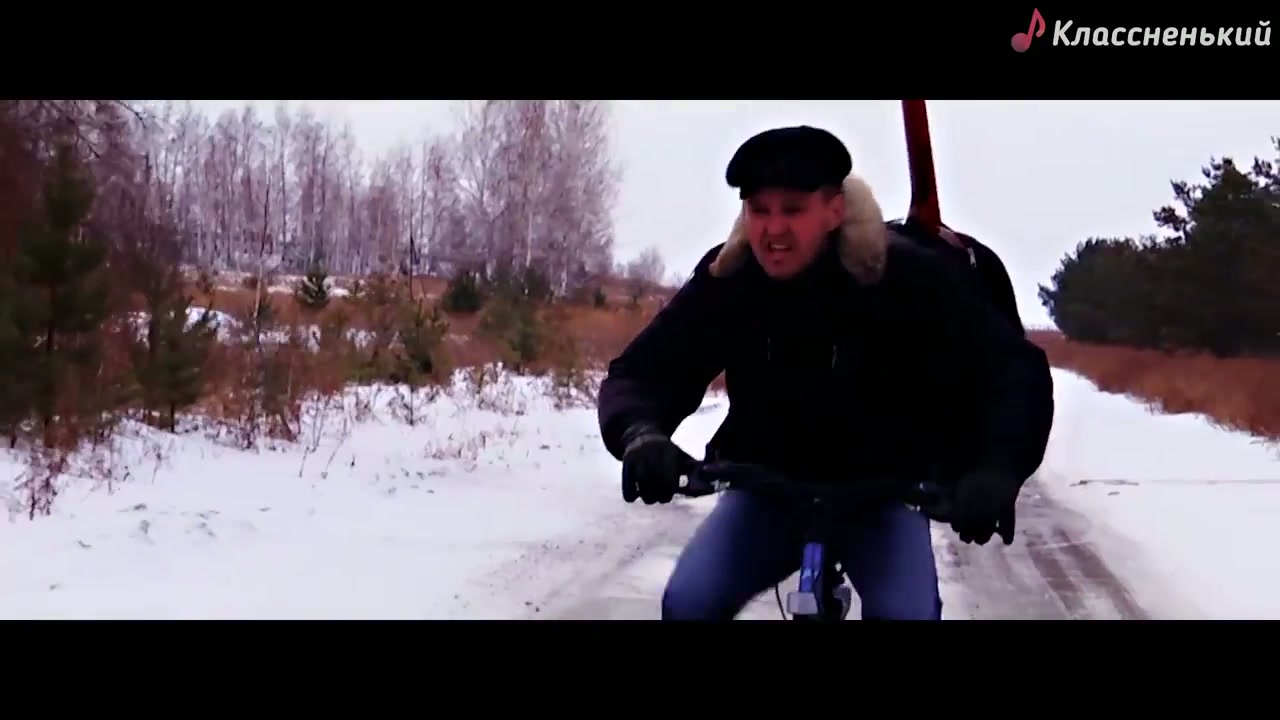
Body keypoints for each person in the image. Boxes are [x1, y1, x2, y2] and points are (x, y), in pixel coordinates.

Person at [596, 125, 1055, 621]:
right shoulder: (732, 280)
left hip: (881, 499)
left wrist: (997, 467)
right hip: (765, 493)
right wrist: (640, 434)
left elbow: (1012, 370)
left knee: (907, 615)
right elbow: (644, 371)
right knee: (689, 603)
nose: (773, 230)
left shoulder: (907, 277)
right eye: (759, 210)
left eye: (793, 210)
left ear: (834, 210)